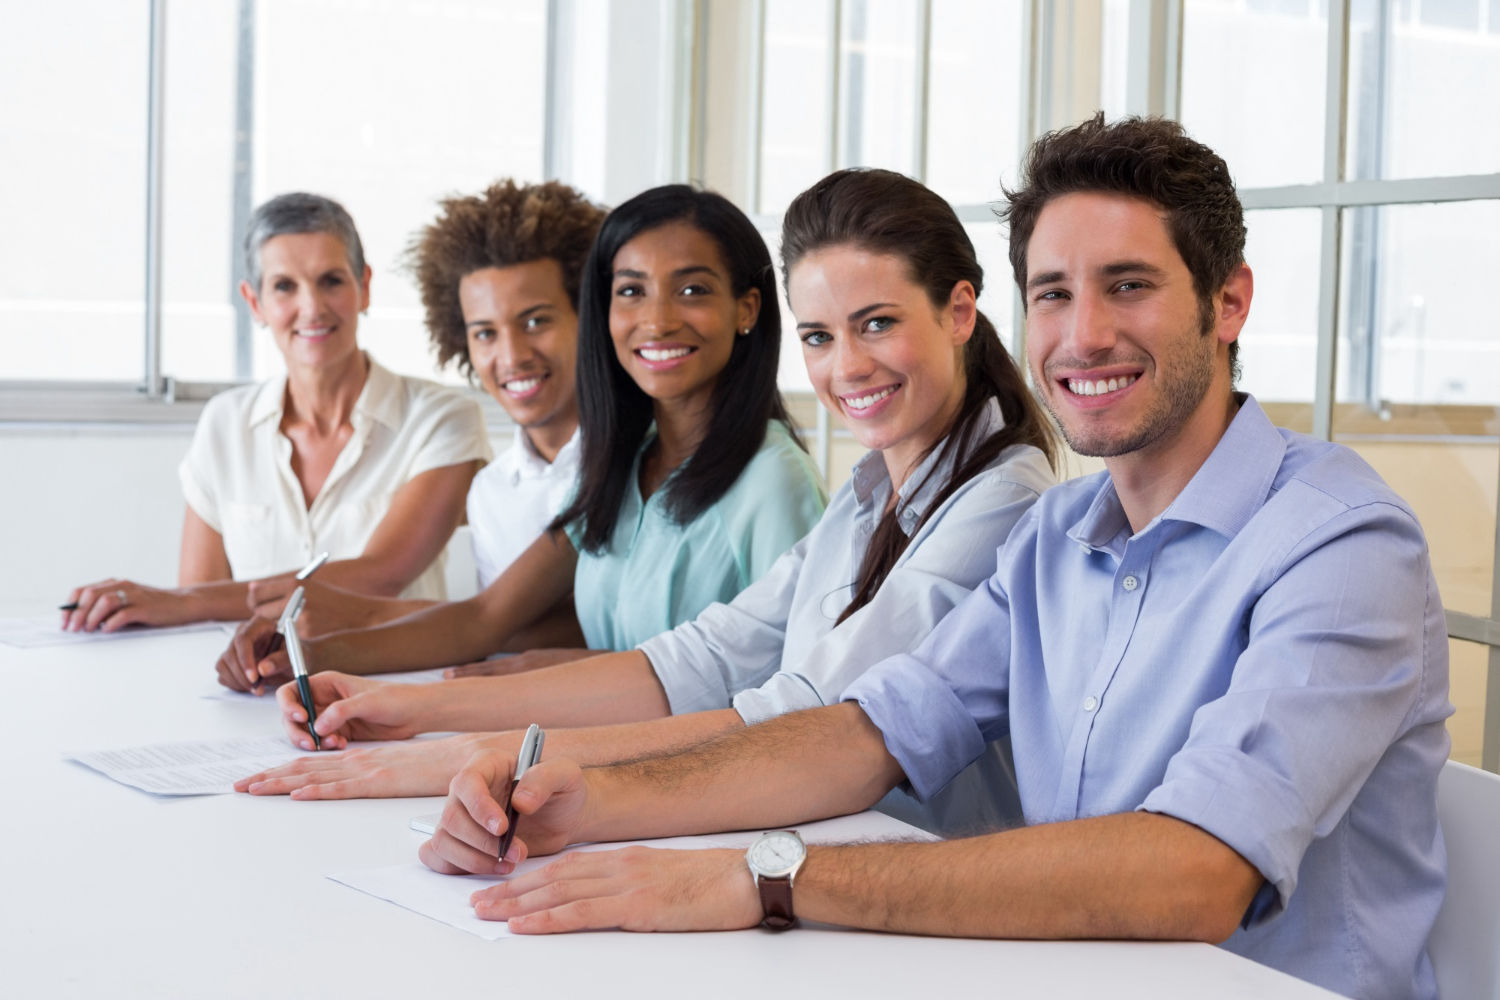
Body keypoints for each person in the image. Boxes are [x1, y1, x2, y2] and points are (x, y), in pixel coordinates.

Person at [419, 116, 1451, 1000]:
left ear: (1228, 303)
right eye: (1052, 293)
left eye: (1127, 285)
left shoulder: (1341, 539)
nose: (1082, 334)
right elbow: (872, 731)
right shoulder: (1058, 535)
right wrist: (586, 802)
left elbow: (1193, 871)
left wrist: (764, 876)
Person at [238, 169, 1058, 837]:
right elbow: (697, 661)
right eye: (818, 336)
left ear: (959, 311)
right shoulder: (871, 489)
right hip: (794, 836)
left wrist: (480, 751)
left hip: (898, 869)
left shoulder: (1002, 502)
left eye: (877, 323)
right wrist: (414, 710)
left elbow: (804, 717)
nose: (845, 368)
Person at [218, 184, 826, 692]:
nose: (659, 318)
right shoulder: (624, 463)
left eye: (692, 290)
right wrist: (301, 656)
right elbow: (483, 619)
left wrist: (572, 674)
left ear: (747, 308)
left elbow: (794, 692)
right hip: (594, 759)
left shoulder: (772, 479)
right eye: (632, 291)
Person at [61, 193, 490, 654]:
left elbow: (382, 574)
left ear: (364, 287)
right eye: (285, 286)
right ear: (255, 302)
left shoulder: (442, 418)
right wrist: (178, 606)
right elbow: (197, 618)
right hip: (253, 695)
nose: (312, 308)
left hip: (399, 690)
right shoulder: (225, 424)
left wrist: (175, 601)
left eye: (331, 281)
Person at [242, 180, 607, 662]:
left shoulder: (629, 465)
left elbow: (509, 625)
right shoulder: (494, 492)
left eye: (537, 321)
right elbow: (496, 632)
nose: (512, 355)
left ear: (591, 316)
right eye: (485, 332)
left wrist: (348, 627)